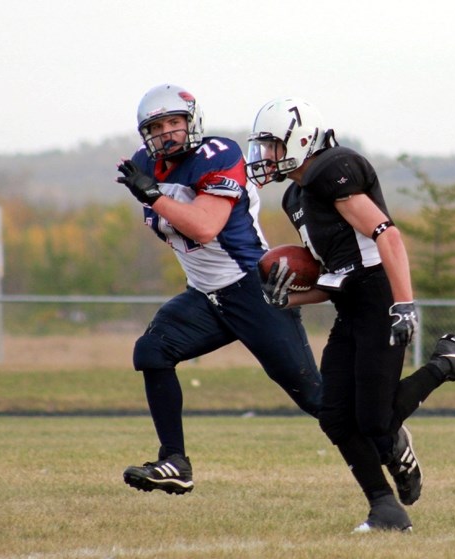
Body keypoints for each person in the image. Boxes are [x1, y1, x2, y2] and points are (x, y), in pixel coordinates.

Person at [246, 96, 455, 533]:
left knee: (374, 419)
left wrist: (403, 303)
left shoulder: (331, 170)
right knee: (334, 416)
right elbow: (332, 275)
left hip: (380, 296)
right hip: (351, 304)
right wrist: (286, 300)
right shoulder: (295, 197)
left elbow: (388, 234)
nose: (265, 156)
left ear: (301, 139)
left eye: (272, 145)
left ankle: (449, 362)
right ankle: (384, 508)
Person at [115, 84, 324, 495]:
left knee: (317, 400)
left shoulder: (219, 154)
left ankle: (389, 438)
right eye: (157, 126)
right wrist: (153, 191)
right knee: (152, 351)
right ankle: (174, 461)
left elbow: (204, 227)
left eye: (175, 122)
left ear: (191, 122)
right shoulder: (145, 164)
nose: (167, 133)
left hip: (251, 288)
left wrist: (153, 195)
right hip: (205, 294)